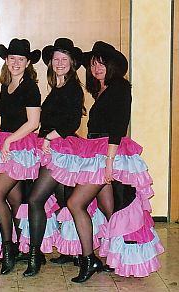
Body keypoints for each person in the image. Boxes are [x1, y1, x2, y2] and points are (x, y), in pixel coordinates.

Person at [67, 41, 164, 282]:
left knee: (75, 204)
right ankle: (119, 255)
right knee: (109, 209)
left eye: (101, 63)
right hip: (98, 152)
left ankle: (89, 260)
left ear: (112, 66)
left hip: (108, 153)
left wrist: (109, 162)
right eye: (92, 64)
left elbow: (118, 127)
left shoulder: (119, 87)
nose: (96, 68)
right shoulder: (103, 89)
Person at [24, 38, 84, 277]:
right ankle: (75, 252)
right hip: (53, 147)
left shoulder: (72, 87)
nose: (59, 63)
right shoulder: (58, 86)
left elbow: (72, 122)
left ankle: (35, 256)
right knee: (63, 199)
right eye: (56, 59)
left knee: (36, 200)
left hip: (61, 148)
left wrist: (49, 138)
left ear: (72, 63)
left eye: (64, 59)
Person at [0, 38, 41, 275]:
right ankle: (24, 247)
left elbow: (33, 122)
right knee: (15, 200)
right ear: (6, 61)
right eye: (12, 58)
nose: (16, 63)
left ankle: (8, 250)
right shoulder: (6, 84)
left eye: (21, 59)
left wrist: (9, 141)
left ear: (28, 62)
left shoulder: (30, 86)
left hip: (19, 146)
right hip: (7, 143)